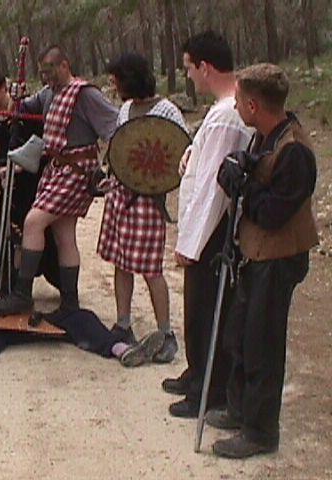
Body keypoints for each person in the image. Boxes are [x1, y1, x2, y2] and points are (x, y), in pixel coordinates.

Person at [207, 64, 318, 458]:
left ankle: (260, 431)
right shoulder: (263, 137)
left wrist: (245, 186)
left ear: (253, 104)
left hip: (278, 258)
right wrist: (235, 171)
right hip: (255, 254)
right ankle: (239, 410)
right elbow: (253, 180)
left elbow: (274, 212)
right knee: (239, 336)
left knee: (263, 345)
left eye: (239, 100)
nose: (236, 106)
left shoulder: (294, 151)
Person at [0, 45, 119, 318]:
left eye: (50, 72)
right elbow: (22, 109)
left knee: (33, 222)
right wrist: (14, 98)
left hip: (76, 170)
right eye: (43, 73)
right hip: (58, 169)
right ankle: (70, 304)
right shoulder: (50, 93)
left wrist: (113, 169)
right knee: (64, 236)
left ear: (64, 66)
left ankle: (22, 295)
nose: (46, 78)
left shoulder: (85, 94)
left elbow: (115, 129)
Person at [164, 31, 253, 417]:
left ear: (205, 67)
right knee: (196, 307)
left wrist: (191, 243)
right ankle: (197, 373)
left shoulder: (226, 116)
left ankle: (208, 388)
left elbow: (213, 190)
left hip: (213, 230)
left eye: (189, 68)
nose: (188, 75)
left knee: (206, 310)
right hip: (207, 229)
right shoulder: (223, 111)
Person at [98, 52, 189, 364]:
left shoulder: (167, 111)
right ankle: (123, 325)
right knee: (121, 263)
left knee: (151, 269)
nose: (114, 86)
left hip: (148, 201)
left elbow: (178, 156)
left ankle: (166, 334)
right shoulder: (125, 109)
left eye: (117, 81)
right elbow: (122, 150)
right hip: (120, 196)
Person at [0, 308, 166, 399]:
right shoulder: (3, 229)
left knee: (82, 319)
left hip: (42, 314)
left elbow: (60, 276)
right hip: (3, 313)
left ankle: (124, 350)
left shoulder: (50, 222)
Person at [0, 67, 60, 288]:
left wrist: (21, 164)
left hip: (34, 185)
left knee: (43, 236)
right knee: (4, 234)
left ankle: (61, 283)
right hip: (10, 187)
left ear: (3, 88)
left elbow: (43, 143)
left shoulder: (26, 110)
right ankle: (7, 283)